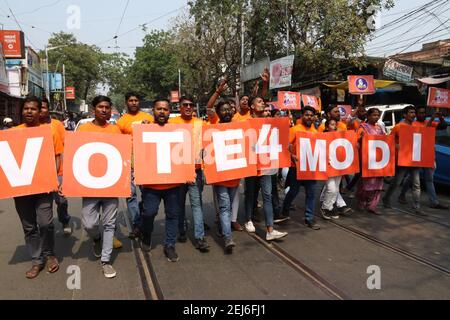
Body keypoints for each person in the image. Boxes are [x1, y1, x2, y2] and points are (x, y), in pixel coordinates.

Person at [13, 96, 62, 279]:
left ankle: (49, 254)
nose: (29, 112)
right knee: (29, 226)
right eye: (26, 108)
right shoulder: (13, 133)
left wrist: (54, 180)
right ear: (22, 111)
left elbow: (57, 156)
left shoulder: (49, 131)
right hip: (21, 188)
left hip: (44, 187)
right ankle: (37, 260)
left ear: (39, 111)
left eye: (33, 109)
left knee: (46, 223)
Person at [77, 96, 121, 278]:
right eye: (100, 107)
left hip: (112, 186)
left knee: (110, 224)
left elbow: (122, 157)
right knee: (89, 223)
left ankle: (106, 261)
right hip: (90, 186)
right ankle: (96, 237)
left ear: (111, 111)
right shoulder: (83, 129)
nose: (104, 110)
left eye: (107, 107)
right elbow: (75, 156)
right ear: (93, 109)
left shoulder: (116, 130)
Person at [140, 98, 181, 262]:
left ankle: (169, 245)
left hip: (173, 184)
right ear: (153, 111)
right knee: (148, 213)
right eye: (159, 109)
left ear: (169, 112)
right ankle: (146, 234)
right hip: (151, 185)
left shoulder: (177, 130)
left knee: (172, 215)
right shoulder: (145, 129)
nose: (162, 112)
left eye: (165, 109)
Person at [243, 96, 288, 241]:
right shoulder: (245, 122)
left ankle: (270, 230)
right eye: (259, 102)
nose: (262, 104)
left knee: (267, 195)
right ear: (251, 106)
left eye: (263, 102)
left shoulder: (270, 122)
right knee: (250, 194)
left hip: (266, 165)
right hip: (251, 164)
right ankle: (248, 219)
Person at [169, 96, 209, 252]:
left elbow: (211, 137)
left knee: (196, 204)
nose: (188, 107)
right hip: (178, 172)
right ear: (179, 107)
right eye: (184, 105)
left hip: (195, 171)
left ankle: (200, 237)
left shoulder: (200, 123)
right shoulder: (171, 124)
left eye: (190, 105)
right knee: (178, 204)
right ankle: (181, 230)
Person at [117, 92, 154, 239]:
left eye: (136, 100)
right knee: (130, 195)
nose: (133, 103)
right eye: (131, 100)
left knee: (147, 195)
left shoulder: (149, 119)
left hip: (146, 162)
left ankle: (144, 219)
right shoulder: (121, 121)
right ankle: (137, 224)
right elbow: (117, 143)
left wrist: (149, 127)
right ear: (126, 102)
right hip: (128, 162)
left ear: (139, 102)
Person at [398, 106, 448, 210]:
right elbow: (424, 133)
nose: (422, 114)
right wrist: (431, 120)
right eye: (420, 113)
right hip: (417, 156)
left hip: (428, 155)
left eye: (424, 113)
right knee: (411, 178)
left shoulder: (429, 122)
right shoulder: (413, 124)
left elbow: (443, 126)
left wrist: (441, 117)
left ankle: (433, 202)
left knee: (429, 179)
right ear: (416, 114)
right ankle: (402, 195)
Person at [280, 106, 320, 230]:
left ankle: (309, 218)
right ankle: (285, 210)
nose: (309, 117)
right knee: (293, 191)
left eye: (311, 115)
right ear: (302, 116)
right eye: (307, 115)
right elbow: (285, 146)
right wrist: (292, 156)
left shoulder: (316, 132)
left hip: (310, 168)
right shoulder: (294, 130)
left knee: (311, 193)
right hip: (296, 168)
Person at [212, 101, 242, 252]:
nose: (227, 112)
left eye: (228, 109)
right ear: (218, 113)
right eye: (223, 110)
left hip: (235, 177)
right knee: (225, 207)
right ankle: (227, 237)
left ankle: (223, 228)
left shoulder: (239, 127)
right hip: (220, 177)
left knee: (229, 205)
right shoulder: (213, 127)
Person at [382, 105, 423, 215]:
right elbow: (390, 140)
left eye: (414, 112)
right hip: (402, 159)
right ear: (405, 114)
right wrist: (397, 146)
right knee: (397, 182)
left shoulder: (417, 126)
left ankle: (416, 206)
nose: (413, 114)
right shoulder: (399, 126)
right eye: (410, 112)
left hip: (414, 159)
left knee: (416, 183)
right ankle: (386, 198)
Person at [40, 98, 72, 235]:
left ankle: (64, 220)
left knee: (61, 200)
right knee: (42, 203)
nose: (41, 110)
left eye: (43, 107)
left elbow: (67, 145)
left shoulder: (57, 124)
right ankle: (44, 227)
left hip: (59, 171)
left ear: (48, 109)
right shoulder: (30, 127)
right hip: (39, 173)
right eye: (38, 107)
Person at [319, 105, 353, 220]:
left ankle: (329, 208)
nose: (334, 126)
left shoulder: (342, 130)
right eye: (331, 124)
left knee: (335, 188)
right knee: (331, 188)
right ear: (327, 126)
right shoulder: (322, 135)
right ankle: (325, 207)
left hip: (339, 165)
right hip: (328, 166)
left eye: (335, 125)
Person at [355, 108, 385, 215]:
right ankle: (362, 201)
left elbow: (385, 141)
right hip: (367, 159)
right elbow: (356, 142)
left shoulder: (380, 128)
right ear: (368, 116)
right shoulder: (362, 127)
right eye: (374, 115)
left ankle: (372, 205)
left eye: (378, 115)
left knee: (378, 183)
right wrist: (361, 139)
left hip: (379, 160)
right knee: (366, 183)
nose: (376, 117)